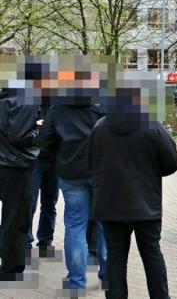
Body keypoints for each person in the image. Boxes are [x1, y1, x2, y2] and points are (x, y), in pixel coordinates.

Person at [90, 100, 177, 299]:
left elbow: (91, 161)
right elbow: (172, 162)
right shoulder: (152, 126)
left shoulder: (100, 127)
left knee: (115, 258)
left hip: (111, 205)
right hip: (145, 204)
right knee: (152, 254)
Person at [37, 96, 107, 290]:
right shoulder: (104, 103)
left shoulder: (58, 106)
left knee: (75, 226)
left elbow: (44, 140)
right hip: (102, 173)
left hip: (71, 173)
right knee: (105, 225)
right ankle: (109, 276)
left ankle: (76, 283)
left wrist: (59, 157)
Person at [0, 88, 39, 281]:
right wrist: (40, 129)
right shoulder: (26, 100)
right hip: (17, 165)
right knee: (15, 220)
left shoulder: (5, 98)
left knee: (11, 219)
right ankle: (10, 268)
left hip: (6, 162)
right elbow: (20, 136)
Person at [27, 104, 59, 255]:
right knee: (30, 203)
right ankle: (26, 242)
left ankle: (46, 242)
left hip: (53, 160)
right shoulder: (30, 101)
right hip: (34, 159)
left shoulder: (59, 101)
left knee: (50, 203)